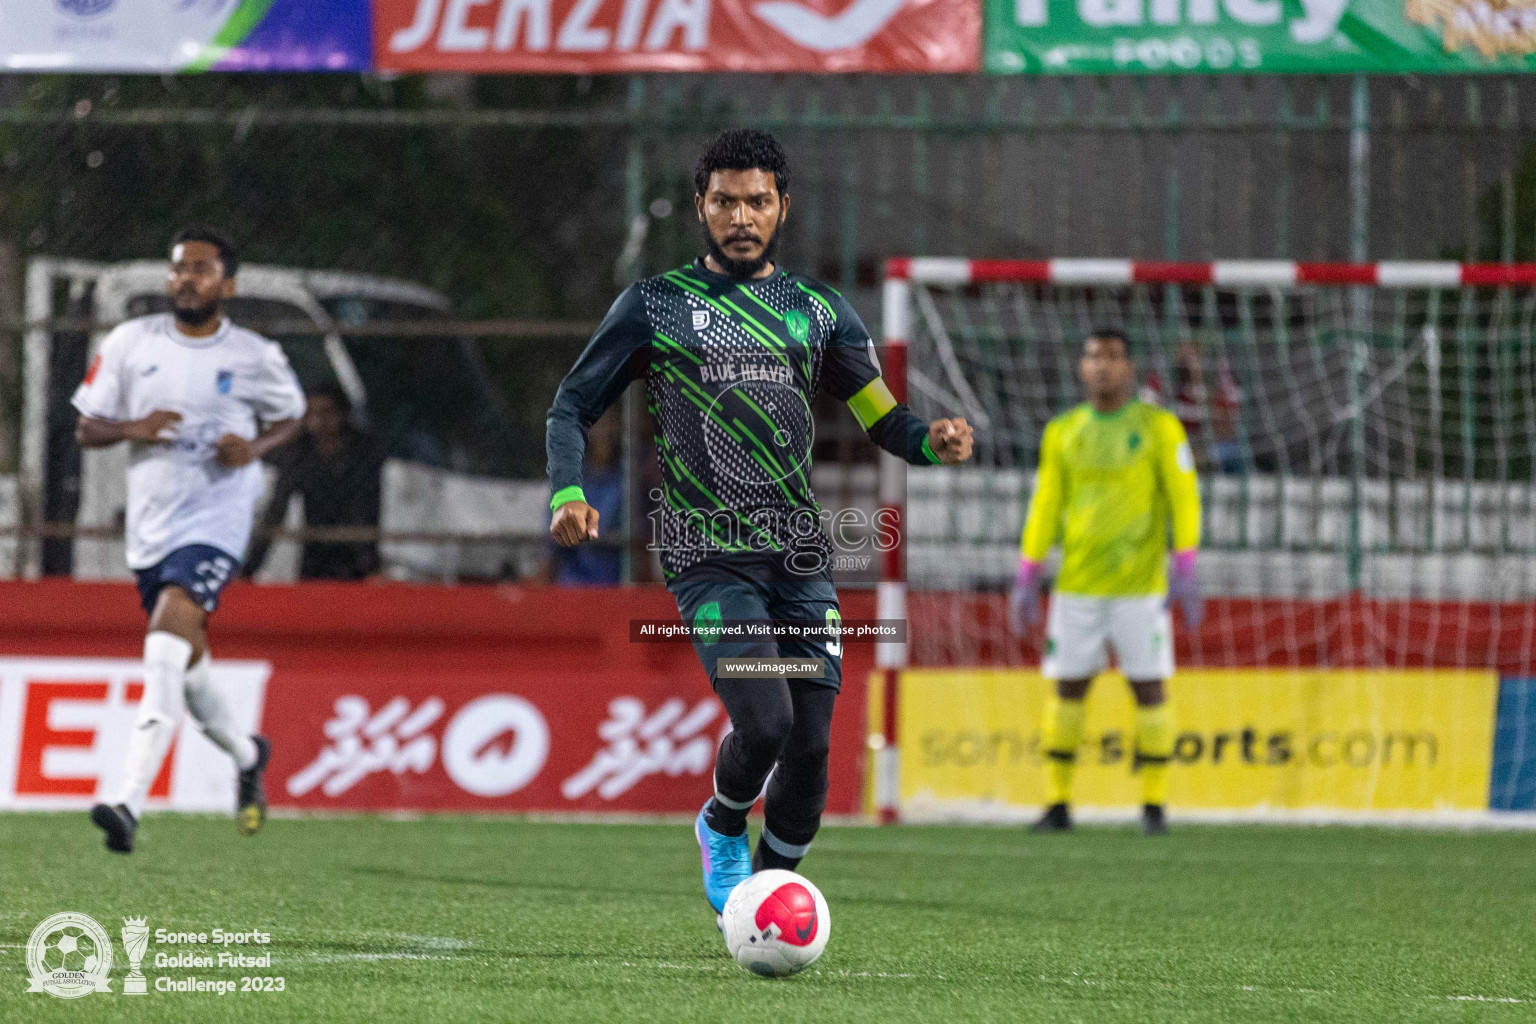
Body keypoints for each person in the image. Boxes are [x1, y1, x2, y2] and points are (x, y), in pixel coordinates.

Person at [546, 129, 973, 917]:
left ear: (782, 207)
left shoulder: (819, 311)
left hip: (800, 557)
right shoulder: (655, 304)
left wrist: (930, 441)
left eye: (757, 201)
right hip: (707, 558)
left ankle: (768, 897)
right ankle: (720, 819)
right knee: (767, 721)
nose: (741, 216)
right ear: (702, 207)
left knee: (813, 746)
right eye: (724, 201)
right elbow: (573, 404)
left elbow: (882, 419)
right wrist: (566, 493)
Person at [73, 225, 306, 853]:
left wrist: (254, 447)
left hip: (216, 521)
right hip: (153, 526)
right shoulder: (129, 343)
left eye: (201, 270)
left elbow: (293, 414)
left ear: (227, 284)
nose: (186, 279)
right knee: (188, 657)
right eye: (179, 268)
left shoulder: (255, 355)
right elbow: (87, 429)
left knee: (164, 648)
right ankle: (247, 754)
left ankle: (127, 800)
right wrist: (135, 426)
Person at [1008, 327, 1202, 836]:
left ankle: (1155, 807)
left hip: (1140, 589)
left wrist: (1185, 565)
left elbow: (1183, 496)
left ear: (1129, 368)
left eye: (1113, 357)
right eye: (1093, 356)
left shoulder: (1159, 427)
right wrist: (1028, 571)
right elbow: (1046, 503)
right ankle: (1057, 804)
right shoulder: (1063, 431)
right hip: (1076, 586)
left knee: (1149, 689)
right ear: (1081, 366)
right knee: (1068, 687)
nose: (1102, 366)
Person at [243, 383, 385, 582]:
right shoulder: (299, 452)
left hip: (356, 555)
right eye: (312, 413)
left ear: (343, 413)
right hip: (314, 553)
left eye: (327, 412)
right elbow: (276, 512)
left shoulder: (364, 451)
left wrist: (371, 567)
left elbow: (366, 508)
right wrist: (248, 570)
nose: (319, 421)